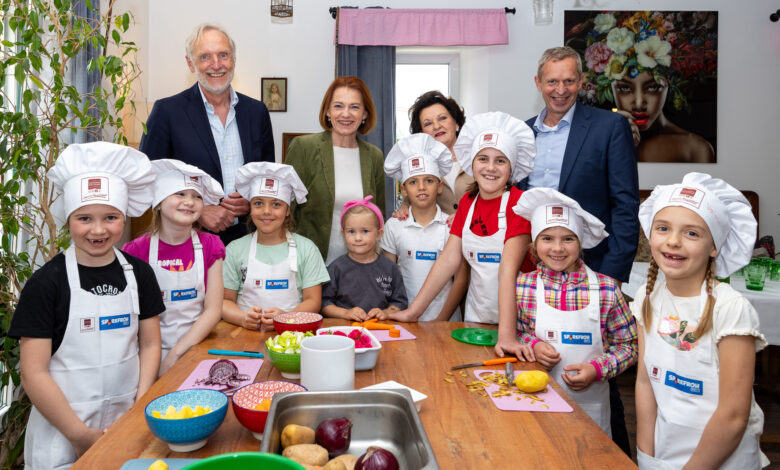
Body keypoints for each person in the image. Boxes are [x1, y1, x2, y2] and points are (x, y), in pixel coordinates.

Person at [9, 142, 165, 468]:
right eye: (84, 218)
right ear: (68, 220)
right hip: (61, 433)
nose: (98, 229)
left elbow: (150, 344)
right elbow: (34, 372)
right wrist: (79, 434)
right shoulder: (46, 284)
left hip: (126, 424)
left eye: (110, 217)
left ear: (124, 218)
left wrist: (140, 408)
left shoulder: (140, 274)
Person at [519, 46, 639, 454]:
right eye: (552, 80)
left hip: (595, 269)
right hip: (536, 268)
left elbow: (626, 204)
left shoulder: (608, 128)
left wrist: (615, 276)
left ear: (582, 82)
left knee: (598, 376)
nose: (560, 89)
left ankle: (615, 455)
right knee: (537, 368)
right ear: (538, 84)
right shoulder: (523, 132)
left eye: (569, 80)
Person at [633, 172, 769, 469]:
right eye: (663, 228)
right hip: (664, 453)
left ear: (713, 247)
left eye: (691, 233)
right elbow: (645, 382)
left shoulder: (730, 308)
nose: (673, 241)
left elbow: (734, 416)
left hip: (721, 459)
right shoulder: (647, 297)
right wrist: (646, 456)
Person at [505, 187, 637, 436]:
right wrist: (533, 345)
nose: (558, 248)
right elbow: (518, 333)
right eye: (547, 239)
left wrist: (598, 369)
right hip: (535, 404)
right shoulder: (523, 286)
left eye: (568, 238)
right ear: (534, 244)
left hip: (592, 410)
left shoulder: (606, 289)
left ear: (581, 242)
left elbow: (629, 346)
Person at [392, 112, 536, 324]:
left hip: (519, 321)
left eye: (500, 161)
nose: (490, 168)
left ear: (512, 166)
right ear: (471, 163)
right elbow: (447, 261)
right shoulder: (468, 203)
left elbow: (508, 270)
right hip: (476, 318)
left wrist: (507, 335)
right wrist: (413, 312)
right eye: (483, 159)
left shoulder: (520, 204)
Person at [140, 23, 275, 246]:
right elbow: (148, 179)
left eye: (223, 55)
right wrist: (198, 212)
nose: (216, 65)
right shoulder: (167, 112)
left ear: (233, 59)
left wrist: (254, 201)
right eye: (205, 57)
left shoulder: (257, 112)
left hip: (249, 240)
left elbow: (267, 174)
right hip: (187, 240)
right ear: (190, 63)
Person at [570, 11, 716, 163]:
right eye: (625, 89)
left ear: (669, 84)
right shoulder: (594, 144)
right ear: (610, 87)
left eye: (652, 88)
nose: (639, 104)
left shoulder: (695, 149)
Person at [123, 159, 225, 376]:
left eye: (197, 196)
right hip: (147, 355)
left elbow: (213, 310)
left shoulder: (211, 246)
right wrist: (157, 362)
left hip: (197, 348)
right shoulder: (135, 251)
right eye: (180, 194)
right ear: (158, 203)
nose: (189, 202)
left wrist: (175, 355)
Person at [285, 76, 385, 264]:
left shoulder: (374, 156)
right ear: (328, 111)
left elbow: (379, 216)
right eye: (338, 106)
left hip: (359, 269)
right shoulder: (304, 148)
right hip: (308, 266)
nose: (345, 114)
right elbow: (286, 210)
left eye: (354, 107)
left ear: (364, 114)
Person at [222, 162, 329, 330]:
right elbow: (225, 301)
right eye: (258, 203)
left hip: (293, 335)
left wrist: (287, 318)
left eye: (276, 204)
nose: (266, 211)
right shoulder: (234, 250)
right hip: (244, 338)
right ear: (249, 207)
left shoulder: (307, 249)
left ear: (287, 210)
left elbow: (313, 301)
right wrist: (243, 318)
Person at [381, 134, 467, 321]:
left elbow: (460, 279)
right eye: (413, 182)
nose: (421, 187)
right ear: (403, 189)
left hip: (446, 319)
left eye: (429, 180)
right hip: (403, 315)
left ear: (439, 186)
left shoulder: (450, 226)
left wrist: (442, 319)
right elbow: (388, 277)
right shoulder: (394, 226)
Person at [322, 196, 408, 321]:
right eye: (351, 231)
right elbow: (324, 304)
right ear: (343, 233)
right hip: (344, 331)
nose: (358, 238)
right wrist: (345, 313)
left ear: (379, 234)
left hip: (380, 330)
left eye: (365, 231)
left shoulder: (390, 268)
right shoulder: (336, 268)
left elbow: (400, 303)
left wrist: (386, 312)